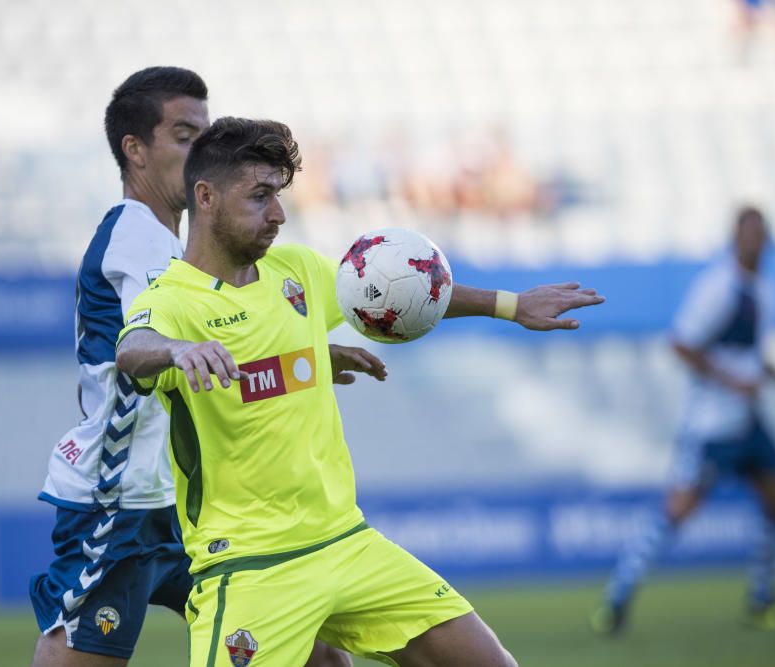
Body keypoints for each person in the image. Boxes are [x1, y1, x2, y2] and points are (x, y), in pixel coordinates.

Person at [114, 116, 605, 665]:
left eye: (278, 195)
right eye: (259, 196)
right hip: (251, 568)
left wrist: (511, 307)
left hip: (346, 542)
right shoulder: (174, 300)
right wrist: (178, 350)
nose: (277, 214)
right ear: (205, 197)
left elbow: (405, 287)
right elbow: (133, 349)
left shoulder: (293, 270)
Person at [29, 68, 350, 667]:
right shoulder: (135, 236)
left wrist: (306, 354)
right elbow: (154, 346)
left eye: (204, 133)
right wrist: (178, 350)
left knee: (320, 656)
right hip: (120, 500)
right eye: (183, 134)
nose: (199, 148)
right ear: (136, 150)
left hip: (184, 503)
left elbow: (214, 342)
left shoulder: (180, 245)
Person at [590, 206, 775, 635]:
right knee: (677, 511)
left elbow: (752, 356)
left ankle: (762, 598)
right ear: (735, 238)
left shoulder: (761, 289)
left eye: (761, 234)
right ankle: (616, 599)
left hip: (748, 421)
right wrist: (732, 382)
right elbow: (682, 344)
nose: (756, 241)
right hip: (712, 425)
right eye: (749, 233)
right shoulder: (719, 287)